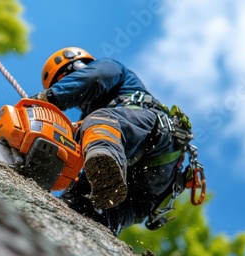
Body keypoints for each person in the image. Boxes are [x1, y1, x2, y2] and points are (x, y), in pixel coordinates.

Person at [32, 47, 198, 236]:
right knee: (80, 205)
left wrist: (49, 98)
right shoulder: (90, 124)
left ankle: (105, 169)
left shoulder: (107, 68)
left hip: (151, 135)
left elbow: (95, 77)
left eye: (65, 80)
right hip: (146, 188)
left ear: (78, 67)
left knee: (99, 123)